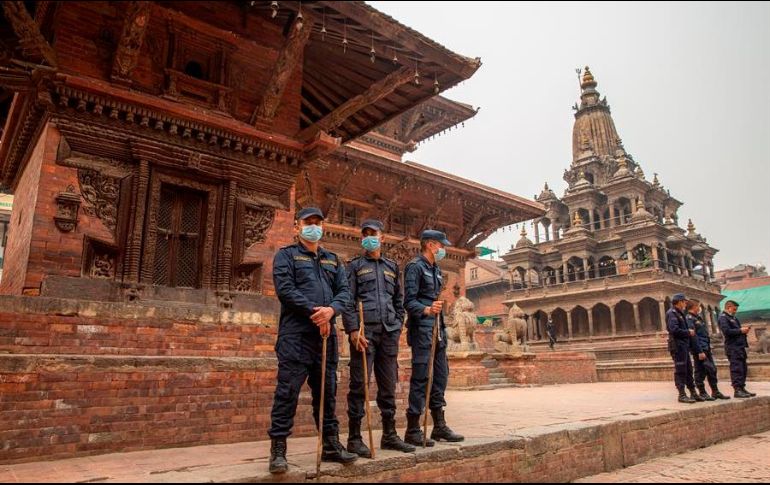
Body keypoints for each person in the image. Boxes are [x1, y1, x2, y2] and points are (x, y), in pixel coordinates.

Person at [267, 207, 357, 474]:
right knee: (287, 393)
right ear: (297, 226)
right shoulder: (287, 256)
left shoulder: (333, 260)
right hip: (296, 336)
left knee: (327, 393)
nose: (313, 227)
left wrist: (331, 311)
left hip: (326, 337)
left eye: (318, 223)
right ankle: (278, 450)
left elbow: (345, 293)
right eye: (308, 223)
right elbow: (285, 290)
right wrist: (315, 312)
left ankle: (330, 445)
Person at [343, 219, 415, 457]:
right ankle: (354, 438)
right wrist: (353, 330)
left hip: (388, 333)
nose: (369, 237)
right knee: (358, 385)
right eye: (365, 234)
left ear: (382, 237)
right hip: (365, 333)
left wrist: (398, 323)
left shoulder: (392, 267)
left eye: (373, 233)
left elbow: (399, 299)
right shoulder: (354, 266)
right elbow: (348, 301)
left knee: (388, 385)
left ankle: (390, 435)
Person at [402, 230, 464, 447]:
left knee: (440, 375)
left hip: (439, 328)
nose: (443, 249)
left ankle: (439, 425)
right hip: (422, 328)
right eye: (440, 245)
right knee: (421, 377)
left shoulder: (436, 269)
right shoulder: (415, 267)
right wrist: (426, 309)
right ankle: (412, 429)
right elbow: (408, 302)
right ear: (430, 244)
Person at [685, 299, 729, 401]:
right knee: (700, 371)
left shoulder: (698, 318)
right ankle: (702, 392)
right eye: (698, 306)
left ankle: (715, 391)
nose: (699, 308)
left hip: (706, 347)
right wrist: (699, 351)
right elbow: (693, 337)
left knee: (712, 370)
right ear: (695, 307)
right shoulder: (689, 319)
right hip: (699, 349)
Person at [718, 300, 755, 399]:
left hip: (740, 346)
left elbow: (736, 331)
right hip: (732, 347)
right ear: (729, 307)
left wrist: (743, 330)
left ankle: (742, 388)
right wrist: (740, 330)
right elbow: (726, 331)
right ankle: (737, 390)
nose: (735, 311)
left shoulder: (733, 318)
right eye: (734, 309)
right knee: (736, 368)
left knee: (743, 368)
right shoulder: (723, 318)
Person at [667, 293, 698, 404]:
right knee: (681, 369)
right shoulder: (672, 313)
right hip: (677, 345)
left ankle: (693, 392)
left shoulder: (680, 313)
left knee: (688, 369)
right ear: (679, 302)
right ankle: (682, 394)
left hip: (683, 345)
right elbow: (674, 330)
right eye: (684, 302)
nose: (685, 304)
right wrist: (688, 332)